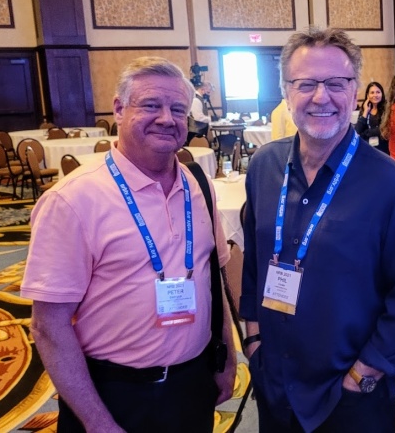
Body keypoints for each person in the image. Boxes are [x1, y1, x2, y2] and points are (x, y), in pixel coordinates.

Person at [21, 57, 236, 432]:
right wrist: (97, 422)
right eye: (151, 105)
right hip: (113, 394)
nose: (167, 118)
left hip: (193, 384)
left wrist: (226, 360)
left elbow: (213, 279)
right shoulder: (73, 200)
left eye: (178, 109)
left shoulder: (198, 184)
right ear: (119, 109)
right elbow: (48, 327)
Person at [240, 27, 395, 433]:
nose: (320, 96)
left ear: (355, 89)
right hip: (276, 387)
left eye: (335, 83)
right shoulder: (264, 166)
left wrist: (362, 377)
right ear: (285, 90)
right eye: (306, 83)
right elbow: (255, 267)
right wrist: (253, 342)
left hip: (349, 398)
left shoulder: (388, 182)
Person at [354, 81, 388, 154]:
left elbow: (384, 129)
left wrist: (365, 133)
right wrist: (366, 111)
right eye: (372, 93)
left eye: (378, 92)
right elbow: (357, 130)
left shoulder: (387, 108)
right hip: (367, 148)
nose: (375, 95)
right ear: (367, 95)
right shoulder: (364, 109)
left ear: (382, 94)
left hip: (384, 149)